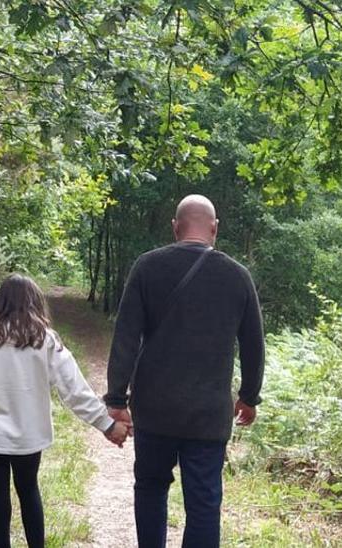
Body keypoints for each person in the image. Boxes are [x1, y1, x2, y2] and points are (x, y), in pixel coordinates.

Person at [104, 194, 265, 548]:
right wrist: (249, 397)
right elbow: (254, 344)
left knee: (150, 488)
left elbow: (126, 337)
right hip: (208, 415)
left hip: (155, 410)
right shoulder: (237, 276)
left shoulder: (147, 267)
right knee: (204, 503)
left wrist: (117, 398)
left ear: (175, 227)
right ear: (214, 228)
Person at [0, 274, 129, 548]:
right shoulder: (45, 341)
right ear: (35, 303)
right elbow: (75, 390)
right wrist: (106, 424)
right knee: (29, 491)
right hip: (29, 440)